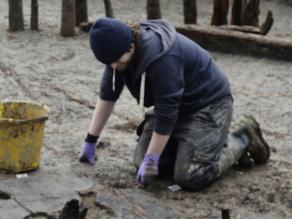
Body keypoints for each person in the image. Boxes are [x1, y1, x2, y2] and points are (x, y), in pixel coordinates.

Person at [79, 18, 270, 190]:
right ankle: (191, 148)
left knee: (190, 175)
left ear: (130, 45)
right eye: (108, 62)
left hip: (208, 105)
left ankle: (242, 138)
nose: (112, 66)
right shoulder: (116, 55)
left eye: (114, 61)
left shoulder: (162, 57)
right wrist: (90, 140)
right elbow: (108, 95)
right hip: (176, 106)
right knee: (142, 162)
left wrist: (152, 159)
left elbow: (167, 113)